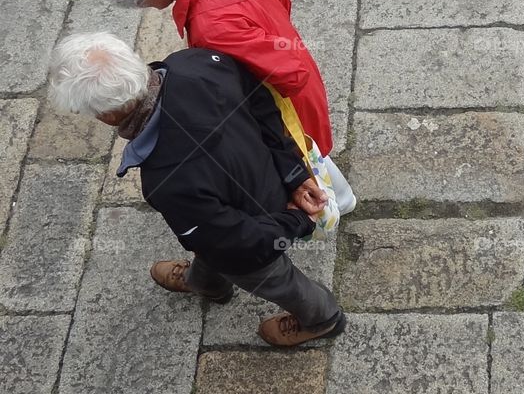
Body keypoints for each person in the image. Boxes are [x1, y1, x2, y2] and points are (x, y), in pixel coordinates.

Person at [48, 32, 346, 347]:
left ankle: (322, 318)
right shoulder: (194, 62)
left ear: (107, 115)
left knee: (274, 277)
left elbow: (236, 242)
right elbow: (262, 103)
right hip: (264, 186)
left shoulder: (166, 181)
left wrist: (294, 221)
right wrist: (293, 172)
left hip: (259, 233)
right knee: (207, 241)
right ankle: (206, 284)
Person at [86, 0, 355, 225]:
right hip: (286, 45)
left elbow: (281, 77)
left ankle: (338, 203)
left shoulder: (211, 27)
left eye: (137, 2)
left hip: (286, 98)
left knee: (307, 154)